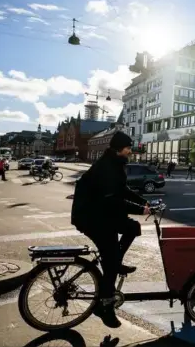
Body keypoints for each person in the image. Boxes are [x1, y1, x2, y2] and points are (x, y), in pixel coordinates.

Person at [71, 132, 150, 328]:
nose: (130, 150)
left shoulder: (115, 163)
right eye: (128, 147)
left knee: (132, 227)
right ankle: (104, 307)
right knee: (110, 263)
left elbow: (122, 190)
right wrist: (139, 209)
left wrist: (144, 201)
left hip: (102, 215)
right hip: (92, 218)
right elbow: (112, 200)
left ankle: (116, 262)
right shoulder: (107, 166)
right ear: (119, 148)